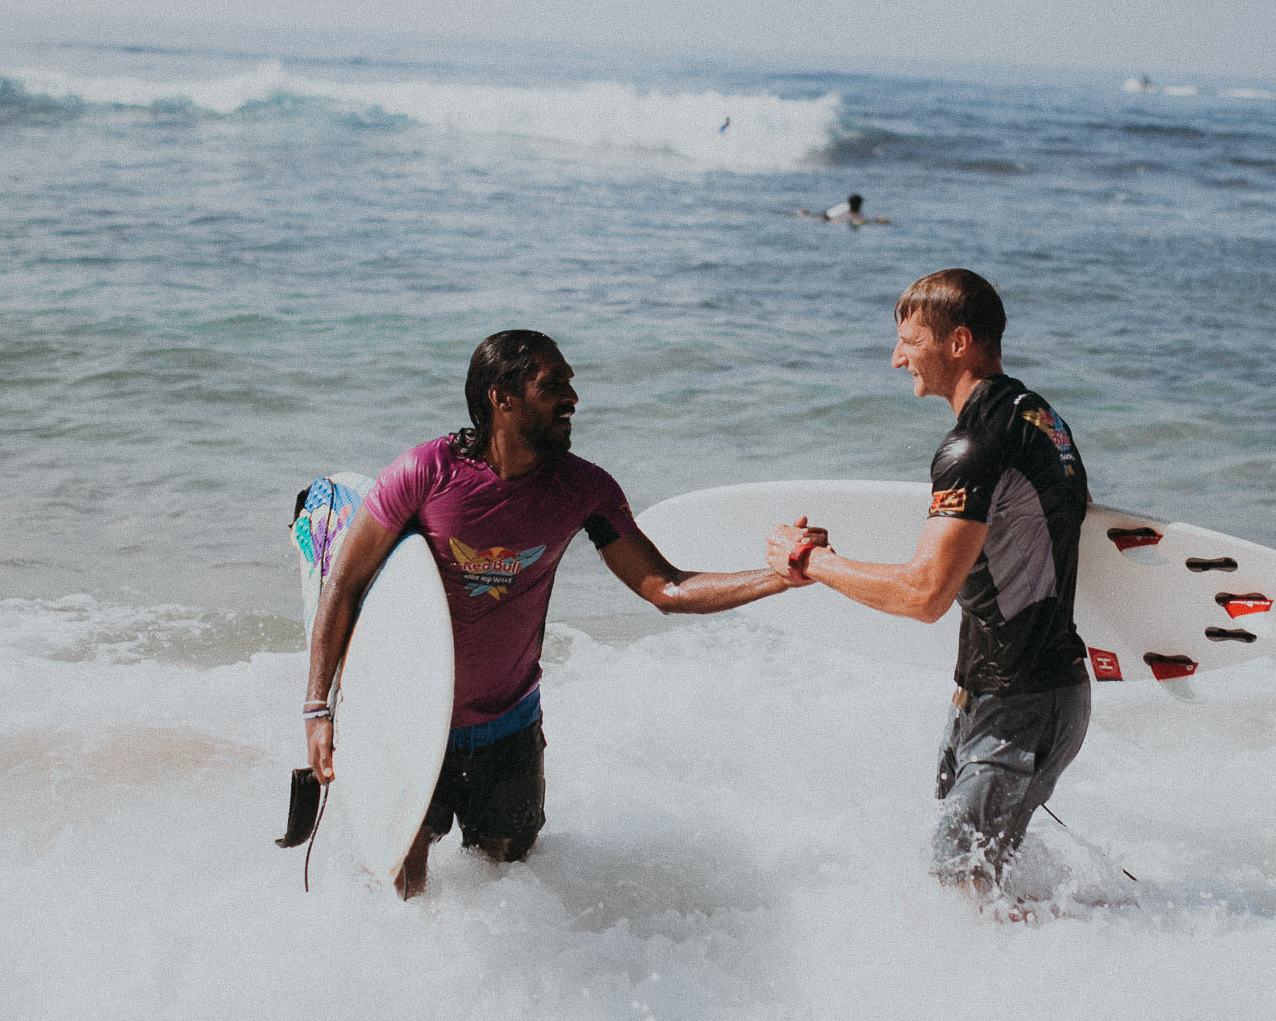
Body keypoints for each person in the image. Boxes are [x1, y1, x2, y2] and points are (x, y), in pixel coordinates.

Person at [306, 330, 806, 897]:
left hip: (510, 725)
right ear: (503, 398)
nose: (573, 397)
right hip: (414, 720)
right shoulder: (427, 473)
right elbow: (345, 584)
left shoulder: (584, 489)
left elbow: (665, 588)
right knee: (403, 892)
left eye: (569, 382)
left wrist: (779, 578)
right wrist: (317, 710)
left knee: (511, 890)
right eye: (554, 385)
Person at [764, 268, 1091, 897]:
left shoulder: (974, 444)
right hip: (1011, 695)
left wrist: (807, 561)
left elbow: (924, 596)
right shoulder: (1042, 418)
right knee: (970, 884)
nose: (895, 360)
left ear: (959, 341)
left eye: (908, 343)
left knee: (959, 887)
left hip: (1020, 704)